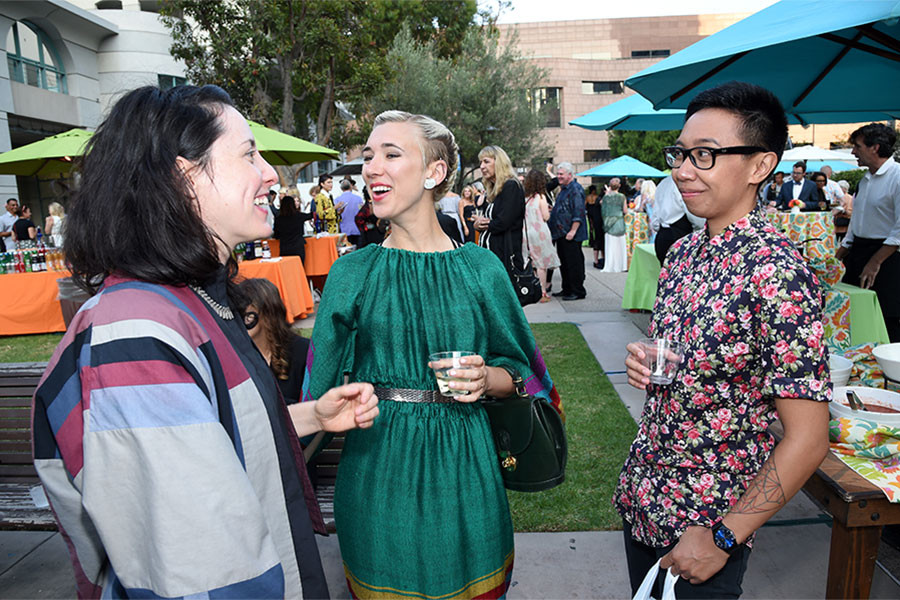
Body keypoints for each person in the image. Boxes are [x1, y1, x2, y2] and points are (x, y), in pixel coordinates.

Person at [31, 84, 380, 599]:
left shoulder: (193, 302)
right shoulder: (137, 336)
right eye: (248, 154)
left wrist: (308, 417)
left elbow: (208, 431)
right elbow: (196, 569)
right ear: (184, 177)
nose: (269, 174)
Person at [305, 110, 562, 599]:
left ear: (434, 172)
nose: (372, 168)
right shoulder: (351, 274)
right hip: (377, 471)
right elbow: (314, 392)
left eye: (391, 154)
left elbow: (527, 372)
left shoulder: (481, 269)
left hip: (466, 467)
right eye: (368, 156)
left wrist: (488, 378)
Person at [621, 81, 829, 599]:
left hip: (708, 524)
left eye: (705, 155)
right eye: (682, 153)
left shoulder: (778, 273)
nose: (682, 170)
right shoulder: (685, 253)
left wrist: (723, 536)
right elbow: (696, 367)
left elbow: (808, 438)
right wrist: (647, 362)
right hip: (645, 496)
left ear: (760, 166)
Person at [837, 122, 900, 342]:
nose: (854, 151)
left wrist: (875, 262)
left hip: (887, 257)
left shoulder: (897, 176)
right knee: (855, 311)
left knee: (885, 315)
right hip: (859, 252)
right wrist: (840, 253)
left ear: (875, 147)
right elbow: (857, 222)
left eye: (857, 146)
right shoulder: (865, 180)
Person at [238, 278, 309, 405]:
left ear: (268, 313)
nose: (240, 321)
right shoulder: (237, 355)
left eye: (247, 314)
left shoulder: (302, 350)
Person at [474, 145, 526, 272]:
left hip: (504, 258)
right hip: (492, 255)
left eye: (486, 161)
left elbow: (503, 222)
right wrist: (479, 224)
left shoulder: (511, 186)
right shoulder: (493, 189)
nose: (482, 167)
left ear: (499, 163)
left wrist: (483, 224)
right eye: (480, 162)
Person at [547, 162, 587, 300]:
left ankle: (577, 291)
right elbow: (566, 208)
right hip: (561, 233)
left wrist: (573, 231)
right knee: (564, 263)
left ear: (570, 175)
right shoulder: (564, 189)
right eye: (558, 174)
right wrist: (554, 211)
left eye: (561, 174)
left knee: (573, 263)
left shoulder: (575, 190)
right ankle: (567, 288)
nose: (558, 177)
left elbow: (579, 212)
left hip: (570, 234)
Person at [522, 169, 560, 302]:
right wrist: (548, 211)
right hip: (540, 233)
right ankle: (543, 291)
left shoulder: (523, 198)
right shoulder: (541, 197)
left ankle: (532, 288)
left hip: (525, 233)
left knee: (530, 262)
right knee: (541, 265)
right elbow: (545, 216)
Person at [651, 175, 705, 265]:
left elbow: (655, 217)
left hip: (662, 235)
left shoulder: (663, 183)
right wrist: (700, 227)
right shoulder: (683, 183)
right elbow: (693, 213)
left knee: (666, 274)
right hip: (680, 234)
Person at [274, 194, 313, 262]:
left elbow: (276, 235)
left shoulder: (278, 219)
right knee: (299, 268)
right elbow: (311, 215)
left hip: (285, 248)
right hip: (298, 247)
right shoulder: (299, 216)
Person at [600, 178, 627, 273]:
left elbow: (602, 207)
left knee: (610, 245)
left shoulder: (606, 197)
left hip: (608, 222)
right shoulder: (622, 196)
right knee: (620, 245)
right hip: (619, 221)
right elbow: (625, 211)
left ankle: (610, 265)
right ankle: (621, 265)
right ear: (619, 186)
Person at [336, 178, 363, 245]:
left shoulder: (337, 200)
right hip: (357, 228)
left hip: (344, 229)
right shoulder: (358, 198)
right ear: (351, 186)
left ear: (341, 188)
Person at [585, 184, 605, 269]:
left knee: (592, 230)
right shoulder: (598, 198)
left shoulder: (588, 197)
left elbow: (585, 205)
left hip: (591, 214)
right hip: (598, 217)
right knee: (601, 240)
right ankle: (603, 257)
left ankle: (591, 241)